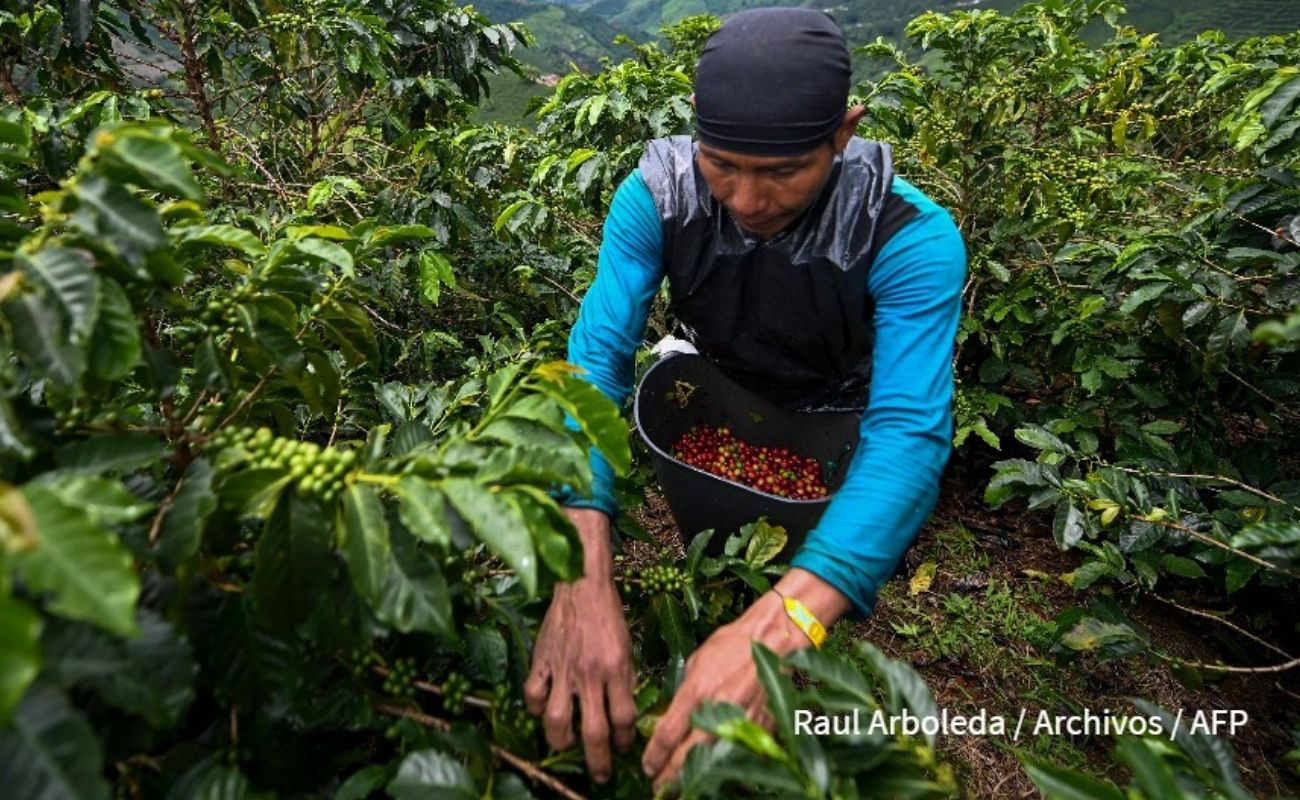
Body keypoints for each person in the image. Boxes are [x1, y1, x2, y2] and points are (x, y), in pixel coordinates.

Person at [523, 7, 966, 791]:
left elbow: (908, 432)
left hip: (837, 401)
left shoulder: (911, 237)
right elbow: (596, 360)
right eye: (721, 165)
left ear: (844, 133)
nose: (749, 200)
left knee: (822, 532)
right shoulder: (655, 197)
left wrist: (782, 624)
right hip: (722, 370)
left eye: (783, 172)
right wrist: (582, 564)